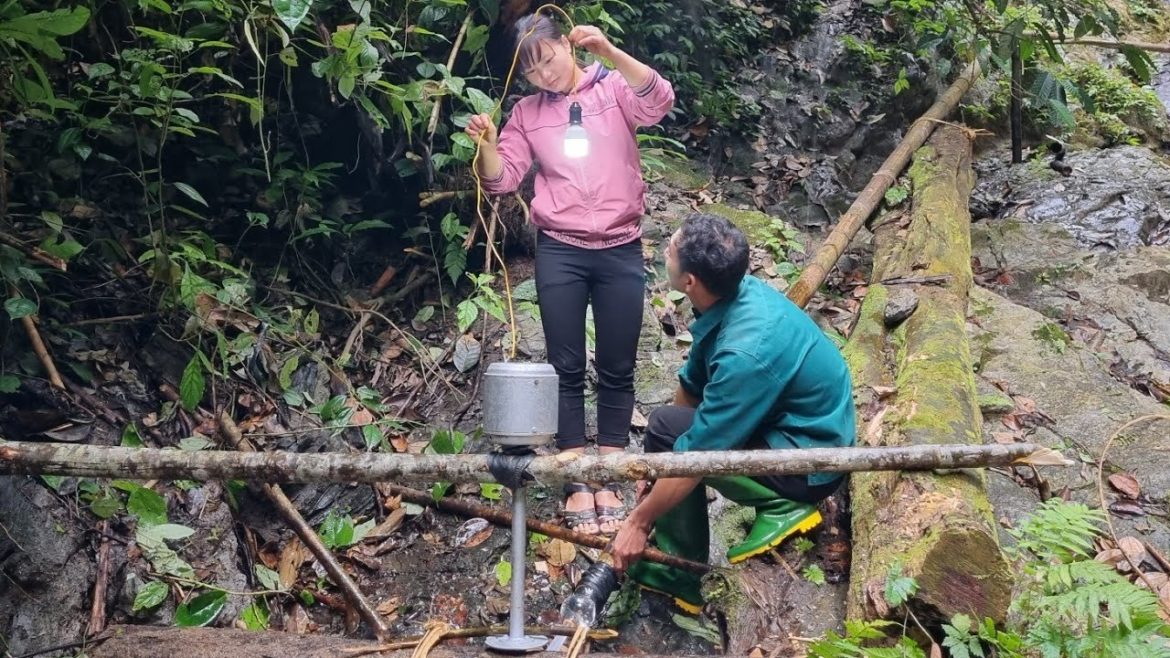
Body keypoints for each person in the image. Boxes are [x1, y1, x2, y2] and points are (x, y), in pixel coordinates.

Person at [465, 13, 675, 536]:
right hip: (560, 249)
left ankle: (607, 471)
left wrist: (609, 52)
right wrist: (487, 142)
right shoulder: (528, 113)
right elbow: (503, 179)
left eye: (549, 58)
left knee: (618, 362)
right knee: (564, 364)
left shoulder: (612, 91)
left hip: (620, 247)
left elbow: (659, 100)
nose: (545, 75)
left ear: (566, 43)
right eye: (531, 71)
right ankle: (577, 476)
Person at [609, 213, 856, 613]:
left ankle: (683, 574)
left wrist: (638, 521)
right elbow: (692, 385)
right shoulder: (733, 293)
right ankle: (675, 540)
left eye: (670, 248)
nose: (665, 248)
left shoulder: (746, 351)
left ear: (689, 281)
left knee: (681, 446)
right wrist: (657, 470)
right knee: (665, 430)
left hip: (810, 459)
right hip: (792, 426)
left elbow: (697, 455)